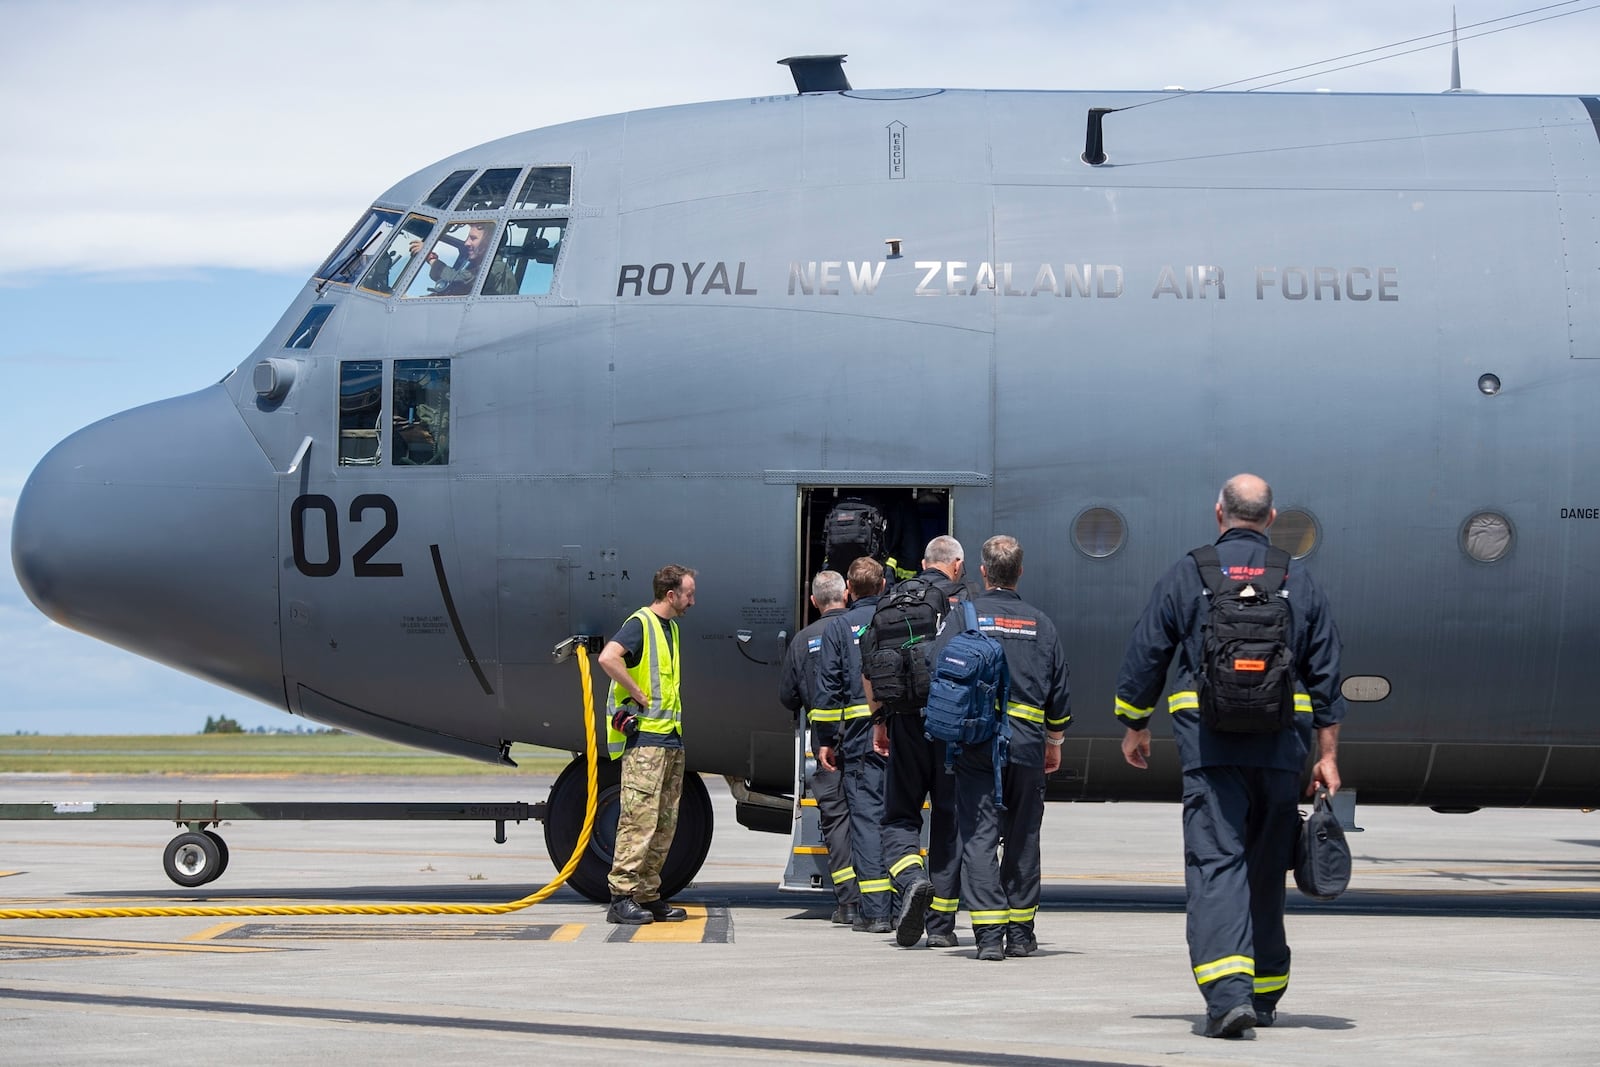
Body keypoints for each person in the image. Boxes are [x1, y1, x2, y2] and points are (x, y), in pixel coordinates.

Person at [1115, 474, 1343, 1038]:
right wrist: (1328, 756)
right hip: (1281, 751)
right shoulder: (1296, 577)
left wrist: (1134, 724)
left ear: (1219, 514)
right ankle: (1265, 994)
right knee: (1266, 871)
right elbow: (1327, 672)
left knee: (1218, 866)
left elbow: (1147, 653)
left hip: (1210, 747)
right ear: (1270, 518)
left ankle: (1228, 998)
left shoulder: (1190, 573)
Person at [967, 535, 1071, 959]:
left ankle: (990, 938)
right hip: (1028, 747)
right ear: (1020, 572)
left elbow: (938, 668)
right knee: (1023, 836)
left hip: (976, 745)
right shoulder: (1041, 623)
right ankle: (1022, 934)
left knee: (979, 837)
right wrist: (1055, 741)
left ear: (983, 571)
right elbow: (1059, 694)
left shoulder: (966, 617)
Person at [866, 534, 965, 950]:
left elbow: (869, 667)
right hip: (948, 727)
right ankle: (941, 926)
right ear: (956, 565)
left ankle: (910, 879)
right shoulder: (960, 600)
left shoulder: (891, 599)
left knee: (900, 817)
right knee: (948, 821)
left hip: (902, 722)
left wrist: (879, 723)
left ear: (925, 562)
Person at [597, 564, 698, 925]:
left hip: (670, 740)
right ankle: (620, 896)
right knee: (638, 821)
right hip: (645, 745)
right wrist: (635, 692)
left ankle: (648, 894)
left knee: (664, 822)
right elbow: (608, 657)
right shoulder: (641, 624)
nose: (692, 600)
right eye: (689, 593)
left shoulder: (670, 628)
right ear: (670, 595)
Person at [777, 570, 861, 926]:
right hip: (867, 736)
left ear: (813, 602)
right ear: (847, 594)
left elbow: (787, 697)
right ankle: (881, 896)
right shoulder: (864, 629)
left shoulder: (803, 640)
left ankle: (848, 903)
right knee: (871, 815)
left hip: (825, 743)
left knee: (837, 820)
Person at [815, 557, 893, 933]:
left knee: (865, 821)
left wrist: (824, 742)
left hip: (861, 738)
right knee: (900, 820)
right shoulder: (898, 616)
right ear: (882, 586)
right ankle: (903, 898)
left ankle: (877, 912)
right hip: (902, 732)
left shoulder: (840, 628)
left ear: (849, 589)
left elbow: (827, 690)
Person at [409, 221, 511, 296]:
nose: (467, 243)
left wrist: (430, 258)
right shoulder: (481, 267)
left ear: (489, 242)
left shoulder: (496, 269)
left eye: (473, 238)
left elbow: (459, 280)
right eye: (468, 238)